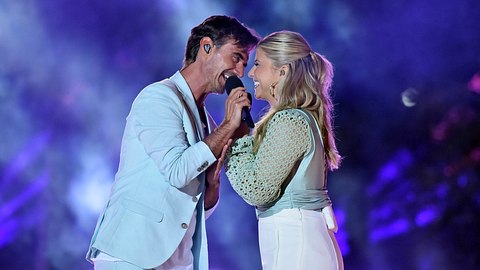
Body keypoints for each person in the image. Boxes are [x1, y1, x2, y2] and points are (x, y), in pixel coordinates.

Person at [86, 15, 260, 270]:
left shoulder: (207, 122)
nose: (241, 72)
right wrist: (227, 126)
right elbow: (178, 172)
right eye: (236, 57)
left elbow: (192, 207)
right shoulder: (158, 98)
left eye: (245, 63)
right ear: (207, 47)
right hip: (132, 254)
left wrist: (212, 185)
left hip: (177, 260)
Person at [225, 31, 344, 270]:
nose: (251, 73)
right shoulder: (298, 118)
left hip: (296, 241)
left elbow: (256, 188)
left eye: (258, 64)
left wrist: (235, 140)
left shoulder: (290, 120)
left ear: (283, 71)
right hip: (298, 239)